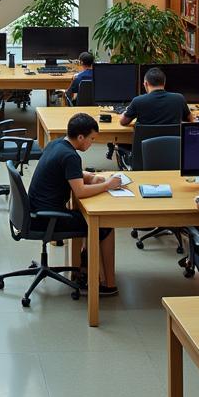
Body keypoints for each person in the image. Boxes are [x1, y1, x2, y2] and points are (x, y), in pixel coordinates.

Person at [27, 112, 124, 296]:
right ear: (80, 137)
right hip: (47, 219)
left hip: (34, 212)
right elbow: (80, 192)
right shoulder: (71, 156)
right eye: (91, 139)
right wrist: (107, 185)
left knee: (86, 218)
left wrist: (89, 176)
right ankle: (107, 284)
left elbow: (71, 173)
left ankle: (86, 270)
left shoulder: (56, 144)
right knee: (104, 225)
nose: (91, 143)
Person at [119, 66, 199, 127]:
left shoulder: (138, 101)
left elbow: (123, 122)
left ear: (145, 84)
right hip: (172, 148)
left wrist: (125, 112)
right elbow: (191, 120)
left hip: (146, 149)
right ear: (164, 83)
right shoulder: (179, 99)